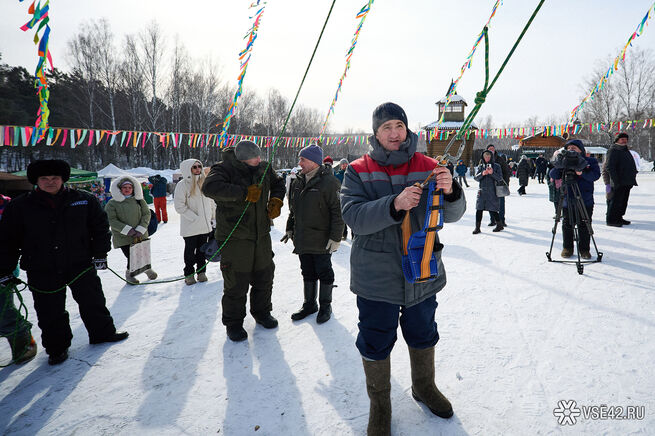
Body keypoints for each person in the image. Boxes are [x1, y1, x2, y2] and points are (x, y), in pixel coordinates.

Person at [341, 102, 466, 434]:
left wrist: (451, 190)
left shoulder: (429, 165)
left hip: (422, 271)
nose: (394, 133)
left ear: (407, 129)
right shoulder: (358, 170)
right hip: (375, 275)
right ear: (376, 133)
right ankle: (380, 405)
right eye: (387, 127)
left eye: (399, 125)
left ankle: (424, 386)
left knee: (423, 332)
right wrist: (393, 204)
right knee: (375, 339)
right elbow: (353, 217)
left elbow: (453, 215)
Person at [0, 160, 128, 365]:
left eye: (55, 178)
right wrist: (4, 270)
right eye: (44, 178)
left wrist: (100, 253)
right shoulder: (20, 206)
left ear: (63, 179)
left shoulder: (84, 200)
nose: (50, 182)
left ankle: (102, 333)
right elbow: (8, 240)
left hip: (80, 263)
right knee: (50, 311)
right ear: (36, 181)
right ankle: (57, 348)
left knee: (93, 301)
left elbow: (100, 227)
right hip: (42, 268)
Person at [202, 140, 285, 342]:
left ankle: (262, 312)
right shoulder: (223, 169)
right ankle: (234, 323)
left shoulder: (264, 167)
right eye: (254, 158)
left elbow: (278, 184)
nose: (258, 159)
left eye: (259, 156)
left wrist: (276, 199)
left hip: (261, 235)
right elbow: (209, 188)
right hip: (235, 237)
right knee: (236, 283)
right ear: (242, 159)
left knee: (264, 276)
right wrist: (244, 193)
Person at [282, 144, 344, 324]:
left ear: (314, 162)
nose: (299, 163)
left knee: (324, 272)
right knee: (307, 271)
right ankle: (309, 304)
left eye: (303, 159)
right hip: (302, 237)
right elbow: (293, 209)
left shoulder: (330, 182)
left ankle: (325, 306)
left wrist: (336, 237)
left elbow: (338, 212)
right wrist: (290, 227)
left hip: (322, 239)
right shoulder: (298, 181)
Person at [0, 194, 38, 364]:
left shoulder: (9, 206)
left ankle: (23, 343)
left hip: (2, 268)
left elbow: (12, 239)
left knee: (3, 311)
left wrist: (6, 268)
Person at [549, 140, 600, 259]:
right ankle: (567, 248)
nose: (571, 150)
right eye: (569, 148)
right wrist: (559, 164)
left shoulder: (590, 161)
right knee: (567, 224)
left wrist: (581, 173)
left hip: (585, 198)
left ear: (581, 150)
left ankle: (584, 250)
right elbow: (553, 175)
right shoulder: (564, 160)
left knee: (585, 224)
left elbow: (595, 175)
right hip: (568, 198)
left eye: (574, 148)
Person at [105, 176, 158, 284]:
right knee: (132, 256)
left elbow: (146, 214)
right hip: (123, 236)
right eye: (125, 187)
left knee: (143, 253)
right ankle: (129, 274)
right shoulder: (112, 203)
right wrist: (127, 230)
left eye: (130, 187)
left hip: (140, 233)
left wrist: (141, 228)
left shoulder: (139, 200)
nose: (127, 189)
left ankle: (147, 269)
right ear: (120, 189)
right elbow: (111, 219)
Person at [174, 159, 216, 285]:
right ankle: (189, 274)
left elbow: (211, 202)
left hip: (205, 226)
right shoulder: (182, 185)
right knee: (190, 252)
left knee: (202, 251)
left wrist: (213, 218)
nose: (198, 169)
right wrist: (194, 218)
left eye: (199, 166)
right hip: (190, 227)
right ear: (188, 169)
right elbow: (179, 206)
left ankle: (201, 272)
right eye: (194, 167)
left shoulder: (205, 182)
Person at [603, 133, 638, 227]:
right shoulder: (613, 150)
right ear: (617, 140)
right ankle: (611, 220)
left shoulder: (625, 150)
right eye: (622, 139)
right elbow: (609, 167)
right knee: (615, 202)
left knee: (623, 202)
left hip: (627, 181)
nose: (624, 141)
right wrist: (615, 181)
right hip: (618, 182)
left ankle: (619, 217)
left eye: (626, 139)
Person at [473, 150, 504, 234]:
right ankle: (477, 228)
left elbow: (500, 178)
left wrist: (492, 173)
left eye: (488, 157)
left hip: (492, 191)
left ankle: (499, 225)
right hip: (482, 191)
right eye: (485, 157)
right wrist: (482, 174)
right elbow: (475, 178)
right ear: (483, 157)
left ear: (491, 157)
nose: (487, 158)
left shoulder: (496, 166)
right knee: (479, 209)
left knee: (493, 209)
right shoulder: (480, 166)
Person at [484, 144, 510, 227]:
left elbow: (506, 172)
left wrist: (506, 183)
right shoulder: (484, 160)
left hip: (500, 185)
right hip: (489, 185)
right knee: (490, 204)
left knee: (501, 204)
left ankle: (502, 220)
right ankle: (493, 220)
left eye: (493, 149)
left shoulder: (500, 159)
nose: (491, 150)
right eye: (490, 149)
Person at [334, 158, 351, 240]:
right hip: (341, 198)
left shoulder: (352, 174)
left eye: (345, 164)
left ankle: (354, 235)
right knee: (342, 217)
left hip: (351, 197)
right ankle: (344, 233)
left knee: (352, 216)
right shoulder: (337, 175)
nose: (344, 165)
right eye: (342, 164)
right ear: (340, 166)